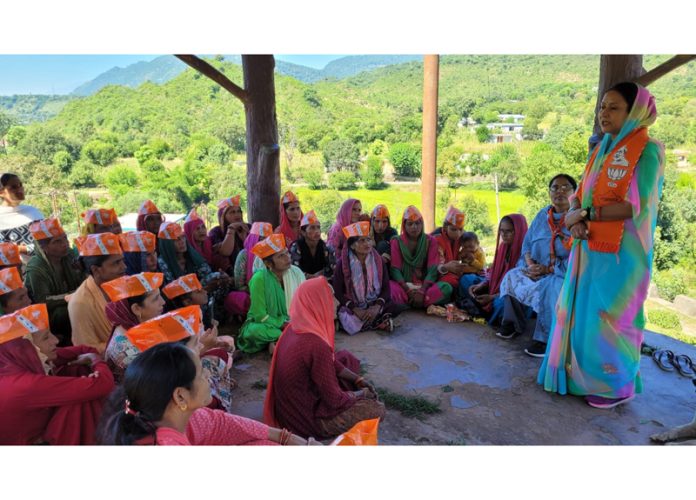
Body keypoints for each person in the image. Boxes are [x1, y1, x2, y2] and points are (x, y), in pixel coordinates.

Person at [538, 83, 665, 409]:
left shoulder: (647, 151)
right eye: (602, 107)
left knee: (613, 317)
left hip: (624, 254)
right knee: (585, 316)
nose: (604, 114)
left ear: (633, 112)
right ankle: (582, 379)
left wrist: (586, 214)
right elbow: (581, 190)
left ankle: (615, 386)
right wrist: (576, 217)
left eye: (614, 108)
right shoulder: (604, 147)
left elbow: (634, 205)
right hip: (589, 245)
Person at [96, 340, 319, 445]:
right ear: (180, 396)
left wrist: (286, 438)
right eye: (202, 374)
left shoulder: (168, 416)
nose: (208, 380)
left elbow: (222, 424)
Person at [264, 277, 385, 439]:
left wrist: (357, 379)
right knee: (376, 409)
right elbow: (335, 400)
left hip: (290, 410)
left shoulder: (294, 327)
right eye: (330, 297)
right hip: (305, 421)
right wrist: (361, 394)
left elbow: (331, 361)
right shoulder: (315, 344)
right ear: (317, 302)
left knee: (345, 358)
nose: (336, 302)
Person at [0, 304, 115, 445]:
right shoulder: (26, 385)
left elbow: (83, 349)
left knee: (77, 371)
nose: (56, 340)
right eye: (46, 338)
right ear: (24, 349)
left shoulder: (13, 362)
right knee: (82, 401)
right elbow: (103, 384)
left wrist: (90, 357)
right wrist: (95, 360)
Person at [497, 174, 576, 357]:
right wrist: (531, 265)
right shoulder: (542, 216)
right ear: (549, 192)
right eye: (555, 187)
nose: (560, 191)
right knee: (513, 275)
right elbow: (527, 244)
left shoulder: (576, 220)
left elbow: (577, 256)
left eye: (566, 188)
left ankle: (544, 339)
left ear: (575, 193)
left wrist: (548, 270)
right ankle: (512, 324)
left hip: (560, 273)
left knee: (551, 285)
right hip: (537, 269)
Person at [237, 234, 305, 354]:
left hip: (290, 321)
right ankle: (282, 338)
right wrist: (283, 324)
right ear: (268, 264)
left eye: (287, 253)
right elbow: (259, 315)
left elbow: (303, 305)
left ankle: (277, 341)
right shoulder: (259, 279)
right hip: (264, 324)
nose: (288, 258)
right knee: (254, 331)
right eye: (281, 256)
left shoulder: (296, 273)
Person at [23, 218, 85, 343]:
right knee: (64, 312)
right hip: (48, 315)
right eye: (57, 241)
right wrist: (73, 295)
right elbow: (43, 300)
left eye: (65, 238)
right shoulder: (36, 267)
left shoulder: (70, 256)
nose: (65, 243)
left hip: (73, 299)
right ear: (43, 247)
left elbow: (84, 280)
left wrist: (82, 271)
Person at [458, 215, 527, 325]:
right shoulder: (502, 248)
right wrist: (482, 285)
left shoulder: (526, 254)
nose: (504, 234)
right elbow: (494, 273)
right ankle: (477, 308)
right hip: (495, 288)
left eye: (509, 231)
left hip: (512, 296)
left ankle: (484, 314)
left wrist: (492, 297)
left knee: (502, 305)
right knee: (466, 280)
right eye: (501, 231)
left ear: (519, 231)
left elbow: (518, 290)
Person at [333, 221, 398, 334]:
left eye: (368, 239)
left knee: (393, 305)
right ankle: (378, 323)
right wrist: (355, 308)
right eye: (362, 240)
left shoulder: (378, 261)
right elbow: (338, 291)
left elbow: (386, 287)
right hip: (354, 305)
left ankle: (368, 321)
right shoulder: (343, 264)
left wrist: (377, 306)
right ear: (352, 245)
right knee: (343, 312)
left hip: (374, 303)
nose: (367, 244)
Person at [101, 272, 166, 381]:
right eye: (155, 299)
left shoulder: (137, 326)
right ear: (136, 309)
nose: (163, 302)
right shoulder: (128, 351)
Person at [69, 232, 126, 352]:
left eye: (122, 261)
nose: (124, 267)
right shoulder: (80, 303)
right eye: (116, 263)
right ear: (96, 270)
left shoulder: (122, 284)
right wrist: (126, 344)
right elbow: (85, 349)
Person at [389, 206, 453, 309]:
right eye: (410, 224)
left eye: (417, 223)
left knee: (446, 288)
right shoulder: (396, 241)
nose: (414, 227)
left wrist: (422, 291)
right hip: (404, 286)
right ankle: (421, 303)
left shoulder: (430, 241)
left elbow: (432, 269)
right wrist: (408, 290)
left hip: (425, 286)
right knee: (389, 287)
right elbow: (395, 269)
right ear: (404, 225)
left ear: (422, 224)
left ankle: (409, 303)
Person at [228, 222, 274, 318]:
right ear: (253, 239)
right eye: (261, 239)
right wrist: (258, 290)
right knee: (238, 298)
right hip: (251, 293)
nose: (264, 243)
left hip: (273, 292)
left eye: (268, 239)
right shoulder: (244, 255)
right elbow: (239, 285)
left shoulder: (275, 255)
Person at [0, 173, 45, 263]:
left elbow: (47, 240)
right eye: (13, 187)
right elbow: (3, 252)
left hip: (45, 266)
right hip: (16, 273)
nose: (20, 189)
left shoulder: (33, 212)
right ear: (1, 192)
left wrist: (21, 248)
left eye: (20, 185)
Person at [207, 196, 251, 275]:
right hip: (227, 275)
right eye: (232, 212)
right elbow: (226, 252)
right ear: (223, 216)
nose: (237, 214)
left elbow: (253, 252)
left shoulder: (248, 227)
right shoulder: (216, 232)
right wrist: (231, 229)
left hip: (249, 271)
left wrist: (244, 239)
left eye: (239, 211)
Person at [289, 210, 336, 280]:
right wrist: (310, 277)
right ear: (303, 232)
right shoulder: (296, 247)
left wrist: (317, 276)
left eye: (318, 227)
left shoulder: (327, 248)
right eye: (312, 228)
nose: (317, 231)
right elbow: (294, 269)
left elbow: (331, 268)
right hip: (301, 283)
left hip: (322, 282)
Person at [435, 206, 470, 294]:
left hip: (455, 273)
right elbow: (434, 268)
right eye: (453, 229)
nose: (457, 233)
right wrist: (447, 267)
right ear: (445, 227)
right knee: (452, 282)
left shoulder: (462, 237)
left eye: (460, 229)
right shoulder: (437, 240)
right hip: (440, 275)